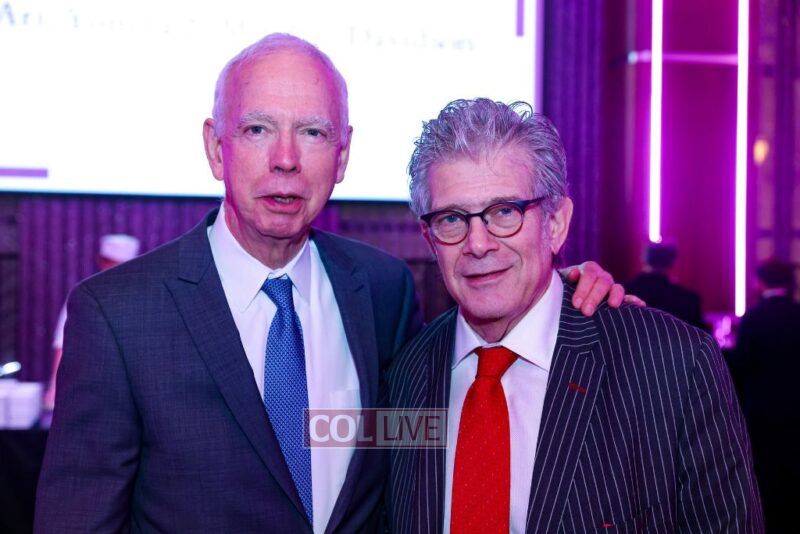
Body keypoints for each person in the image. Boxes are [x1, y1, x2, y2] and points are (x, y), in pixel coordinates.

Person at [33, 36, 625, 533]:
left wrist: (553, 296)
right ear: (216, 148)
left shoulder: (381, 290)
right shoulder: (119, 315)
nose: (286, 158)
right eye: (258, 129)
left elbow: (412, 441)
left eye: (313, 133)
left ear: (342, 157)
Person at [388, 99, 763, 533]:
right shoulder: (406, 375)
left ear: (555, 224)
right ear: (430, 239)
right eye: (452, 219)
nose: (478, 244)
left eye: (505, 212)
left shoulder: (672, 365)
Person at [731, 259, 800, 532]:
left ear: (760, 282)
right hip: (797, 407)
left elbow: (741, 365)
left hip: (762, 408)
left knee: (765, 473)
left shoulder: (754, 317)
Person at [43, 234, 141, 411]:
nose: (115, 270)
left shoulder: (146, 296)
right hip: (92, 388)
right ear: (101, 262)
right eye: (111, 264)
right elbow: (63, 344)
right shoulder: (85, 294)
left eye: (122, 265)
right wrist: (54, 387)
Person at [625, 241, 708, 331]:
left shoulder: (624, 291)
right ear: (673, 262)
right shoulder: (689, 299)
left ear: (643, 258)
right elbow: (701, 335)